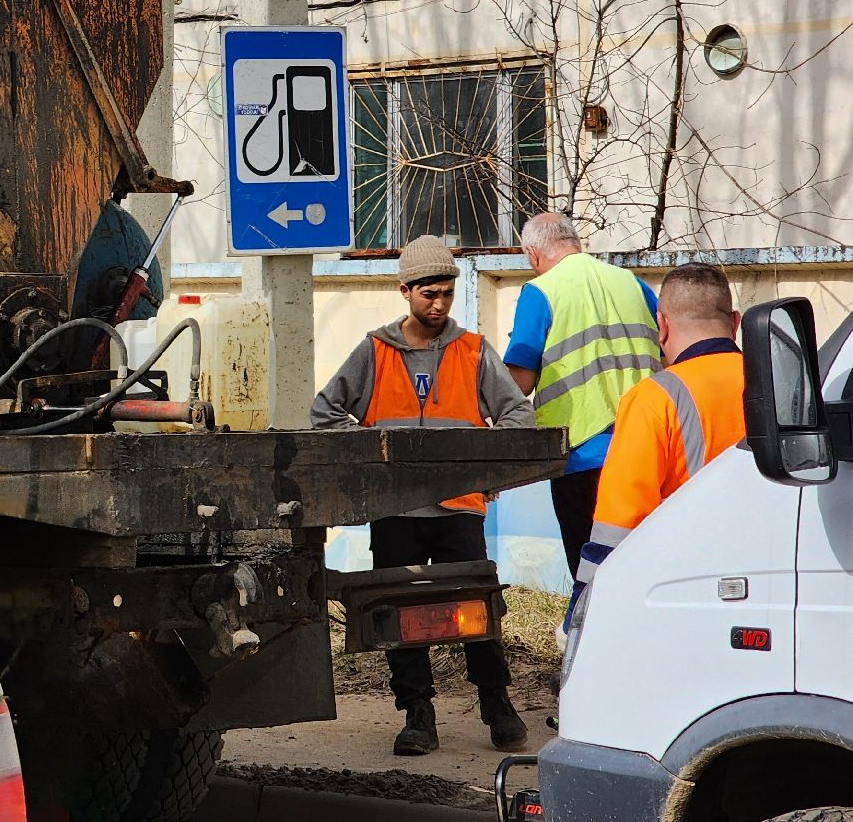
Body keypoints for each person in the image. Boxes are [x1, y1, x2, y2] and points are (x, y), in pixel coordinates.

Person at [314, 235, 534, 756]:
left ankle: (496, 703)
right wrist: (372, 459)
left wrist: (485, 472)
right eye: (428, 294)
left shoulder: (473, 351)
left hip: (458, 509)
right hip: (393, 512)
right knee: (396, 613)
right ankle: (417, 713)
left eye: (446, 295)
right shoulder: (374, 350)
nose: (438, 304)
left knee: (476, 606)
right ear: (404, 290)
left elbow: (517, 417)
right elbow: (326, 412)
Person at [502, 213, 661, 581]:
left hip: (583, 453)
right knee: (643, 567)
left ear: (532, 254)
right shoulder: (632, 283)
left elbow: (519, 382)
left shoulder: (541, 291)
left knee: (591, 573)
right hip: (646, 449)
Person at [574, 262, 744, 593]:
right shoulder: (784, 385)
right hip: (774, 572)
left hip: (686, 582)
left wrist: (580, 610)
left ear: (661, 324)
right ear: (735, 322)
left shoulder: (654, 398)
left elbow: (617, 526)